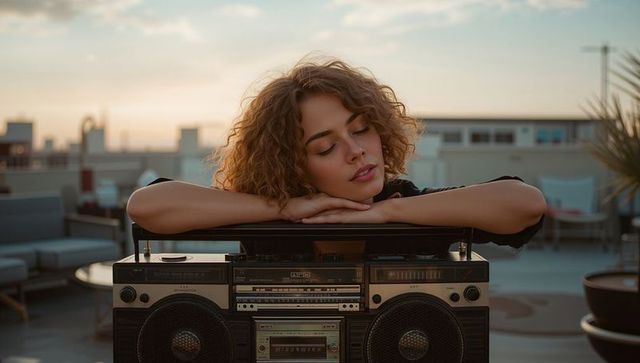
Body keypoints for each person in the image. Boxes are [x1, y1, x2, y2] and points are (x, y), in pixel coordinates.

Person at [126, 58, 546, 249]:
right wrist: (283, 208)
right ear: (291, 162)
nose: (356, 151)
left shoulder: (410, 203)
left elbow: (525, 204)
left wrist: (387, 214)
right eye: (325, 146)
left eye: (362, 129)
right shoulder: (271, 210)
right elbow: (147, 206)